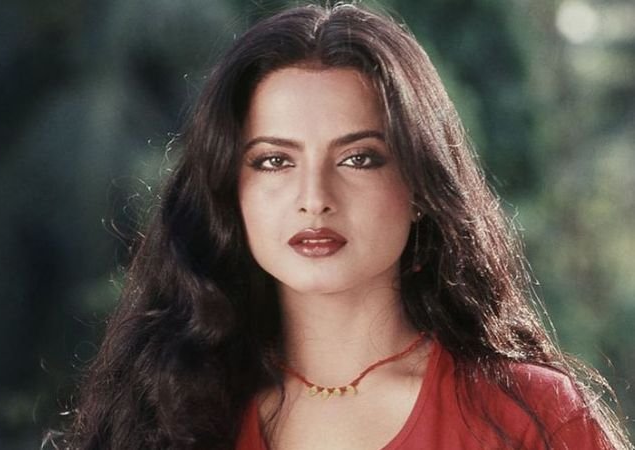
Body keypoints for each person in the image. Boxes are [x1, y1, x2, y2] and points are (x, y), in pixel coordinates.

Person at [47, 3, 632, 450]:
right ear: (230, 190)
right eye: (274, 161)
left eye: (359, 158)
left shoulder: (529, 415)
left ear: (421, 188)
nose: (314, 199)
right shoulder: (161, 415)